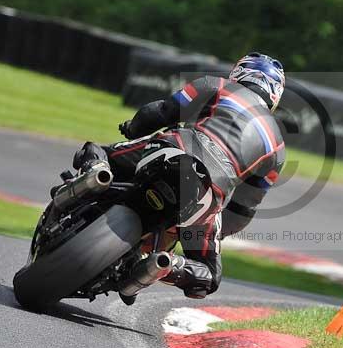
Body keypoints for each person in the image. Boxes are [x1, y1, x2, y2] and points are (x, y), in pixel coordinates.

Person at [71, 52, 286, 303]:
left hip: (174, 149)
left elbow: (161, 112)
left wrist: (132, 128)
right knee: (209, 276)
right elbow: (242, 210)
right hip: (211, 194)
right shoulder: (278, 149)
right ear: (275, 93)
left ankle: (96, 172)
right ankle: (165, 265)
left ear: (240, 73)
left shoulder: (217, 85)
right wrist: (212, 231)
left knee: (98, 152)